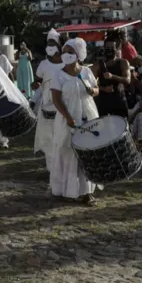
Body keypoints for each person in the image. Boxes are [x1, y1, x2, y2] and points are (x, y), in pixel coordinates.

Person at [50, 37, 101, 206]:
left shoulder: (86, 72)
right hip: (67, 119)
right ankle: (67, 190)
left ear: (78, 55)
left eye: (70, 52)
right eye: (64, 51)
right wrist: (68, 117)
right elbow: (56, 99)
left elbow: (96, 89)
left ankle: (86, 192)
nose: (66, 55)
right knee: (68, 153)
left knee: (87, 153)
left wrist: (92, 90)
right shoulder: (58, 74)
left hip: (88, 116)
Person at [32, 29, 64, 171]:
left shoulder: (66, 64)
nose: (50, 45)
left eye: (53, 43)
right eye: (48, 43)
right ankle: (52, 170)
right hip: (46, 106)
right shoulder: (43, 64)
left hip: (63, 106)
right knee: (48, 140)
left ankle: (61, 167)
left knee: (61, 139)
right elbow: (37, 81)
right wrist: (35, 85)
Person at [91, 30, 131, 118]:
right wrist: (103, 89)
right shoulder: (98, 64)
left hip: (119, 100)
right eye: (107, 48)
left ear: (116, 49)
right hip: (103, 102)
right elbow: (91, 85)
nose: (109, 50)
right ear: (104, 48)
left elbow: (127, 80)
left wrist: (113, 76)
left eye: (111, 48)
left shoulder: (123, 62)